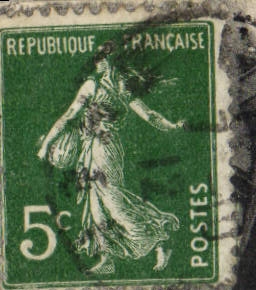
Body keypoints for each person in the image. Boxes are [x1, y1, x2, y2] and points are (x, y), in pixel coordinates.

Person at [37, 44, 184, 276]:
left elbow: (150, 115)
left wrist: (172, 127)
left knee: (113, 201)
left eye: (105, 58)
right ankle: (106, 257)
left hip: (105, 148)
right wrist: (47, 144)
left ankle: (157, 240)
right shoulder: (91, 85)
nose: (101, 63)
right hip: (88, 148)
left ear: (113, 62)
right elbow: (69, 115)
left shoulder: (124, 90)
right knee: (95, 206)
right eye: (99, 59)